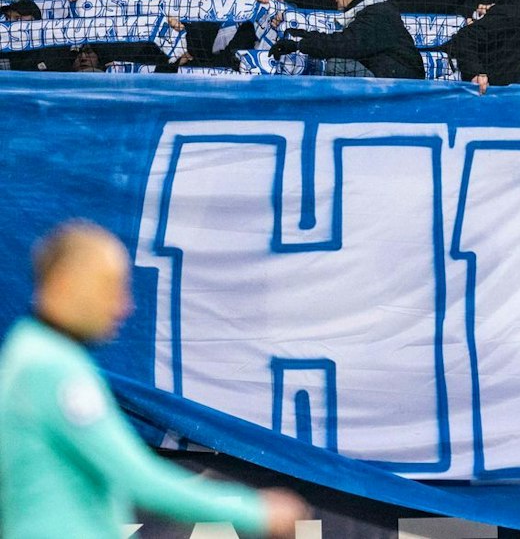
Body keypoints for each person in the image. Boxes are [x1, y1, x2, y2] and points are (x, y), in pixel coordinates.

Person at [0, 221, 308, 537]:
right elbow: (137, 477)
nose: (124, 306)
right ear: (64, 284)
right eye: (109, 287)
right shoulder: (50, 368)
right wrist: (255, 512)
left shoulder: (33, 355)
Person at [270, 0, 424, 79]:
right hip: (389, 78)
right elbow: (343, 41)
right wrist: (301, 38)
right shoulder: (372, 10)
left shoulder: (379, 14)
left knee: (337, 65)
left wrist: (299, 45)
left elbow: (343, 45)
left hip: (402, 88)